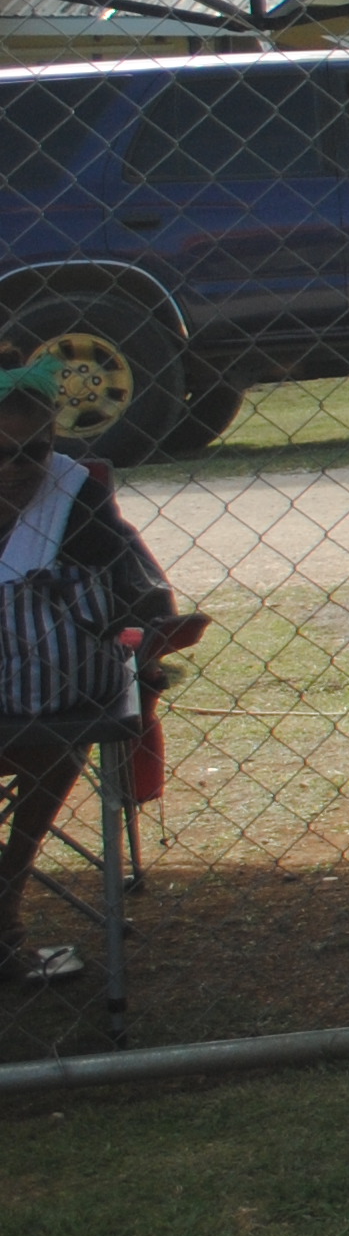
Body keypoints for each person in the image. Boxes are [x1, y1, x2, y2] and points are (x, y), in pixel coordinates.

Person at [0, 348, 180, 985]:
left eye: (34, 449)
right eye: (3, 451)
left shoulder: (74, 492)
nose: (20, 468)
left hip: (41, 707)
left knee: (62, 745)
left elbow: (146, 599)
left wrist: (134, 639)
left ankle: (6, 906)